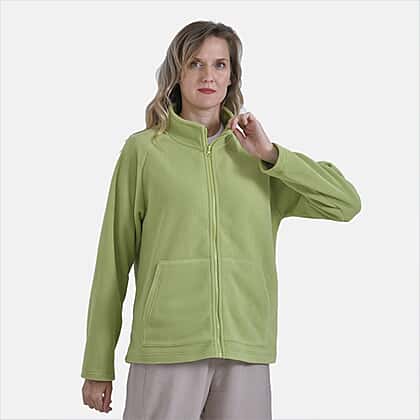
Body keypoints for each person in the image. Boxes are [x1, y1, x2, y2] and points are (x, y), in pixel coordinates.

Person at [81, 20, 362, 418]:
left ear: (232, 77)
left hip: (245, 347)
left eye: (219, 65)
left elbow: (345, 203)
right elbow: (112, 260)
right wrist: (97, 364)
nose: (208, 76)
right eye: (195, 64)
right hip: (166, 347)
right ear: (177, 73)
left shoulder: (259, 158)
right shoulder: (144, 152)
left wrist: (272, 156)